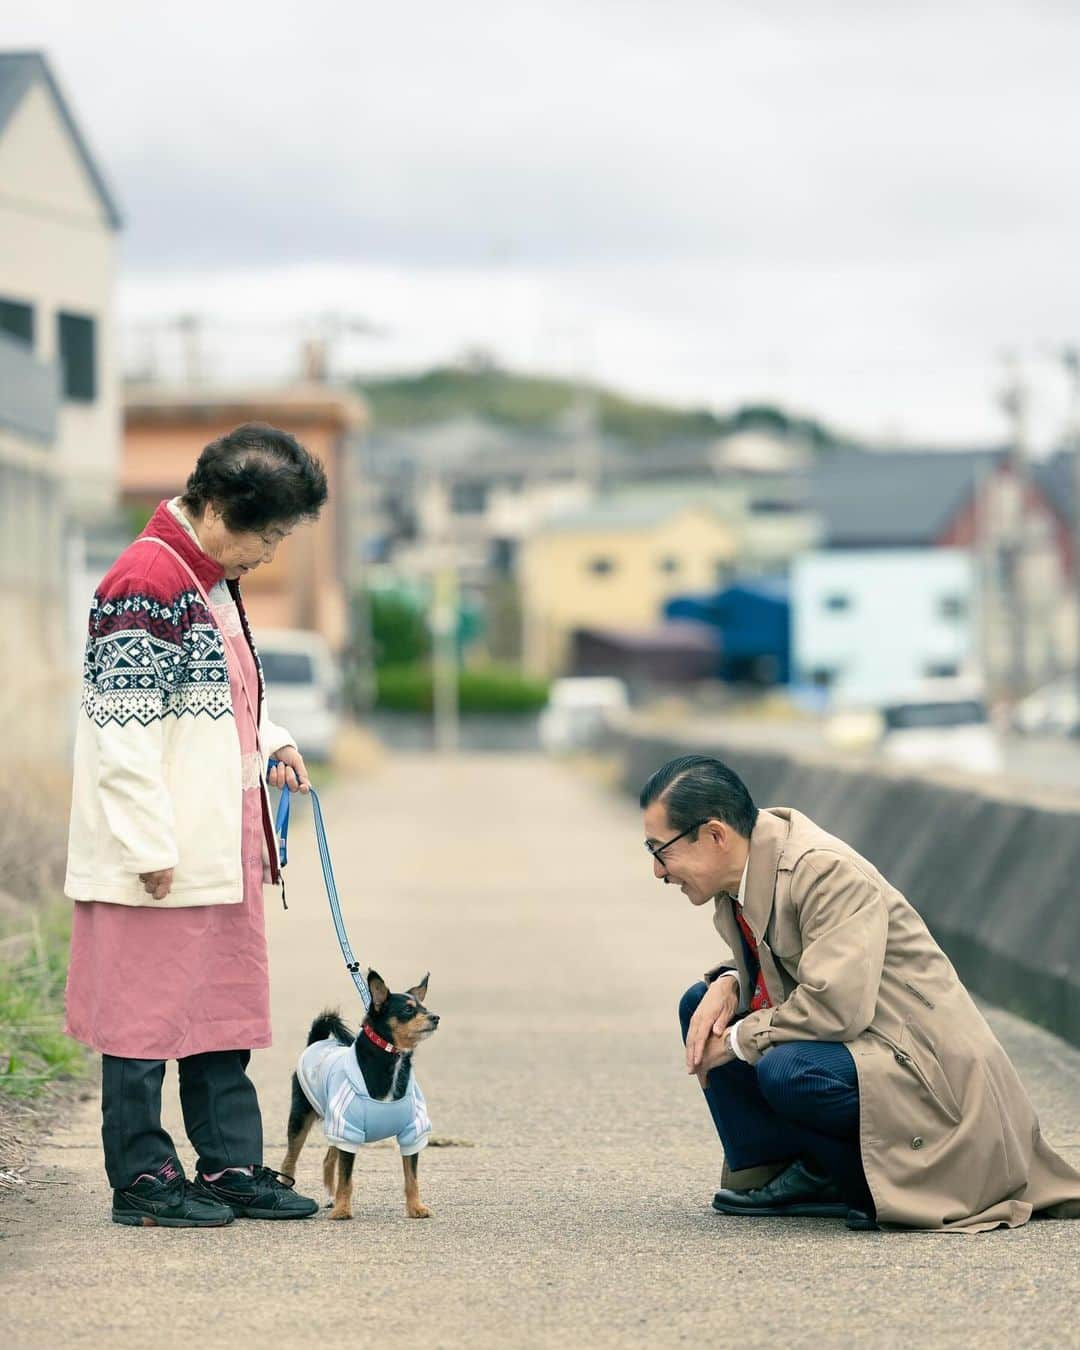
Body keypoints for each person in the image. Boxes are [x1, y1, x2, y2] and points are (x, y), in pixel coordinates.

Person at [65, 423, 328, 1228]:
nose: (271, 552)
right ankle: (143, 1180)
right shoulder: (145, 579)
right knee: (142, 1025)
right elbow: (123, 733)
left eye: (283, 536)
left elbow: (228, 698)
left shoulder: (208, 577)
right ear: (215, 507)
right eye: (268, 533)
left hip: (218, 847)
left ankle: (230, 1167)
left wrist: (272, 741)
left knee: (220, 1014)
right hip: (161, 852)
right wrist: (148, 846)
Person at [642, 753, 1080, 1232]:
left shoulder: (823, 871)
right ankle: (791, 1173)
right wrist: (728, 982)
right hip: (873, 1043)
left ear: (715, 835)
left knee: (787, 1069)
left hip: (930, 1075)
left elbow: (835, 1008)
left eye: (660, 851)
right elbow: (795, 964)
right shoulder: (746, 868)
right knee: (700, 1007)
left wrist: (735, 1040)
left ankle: (863, 1184)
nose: (659, 872)